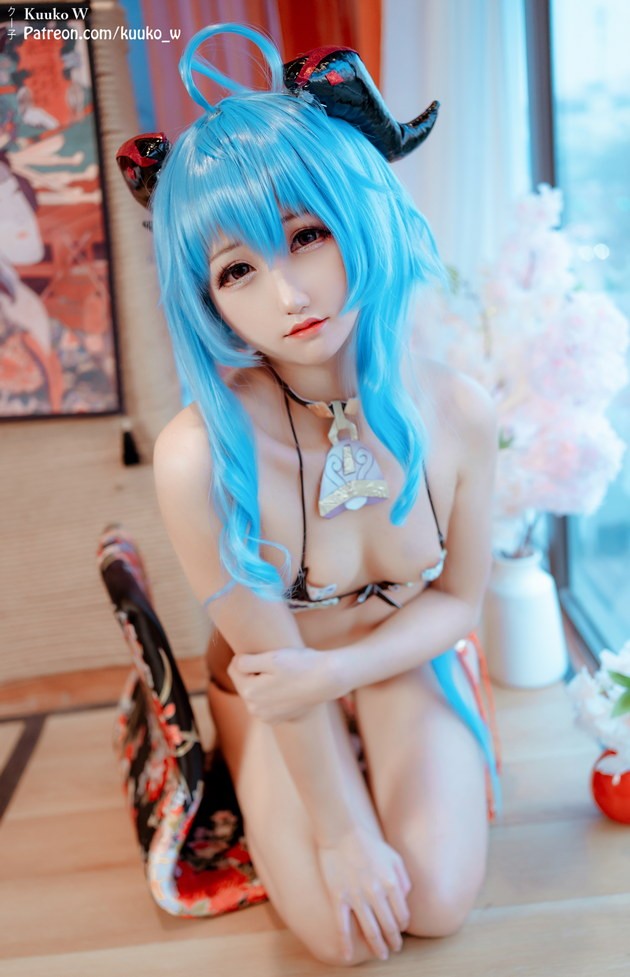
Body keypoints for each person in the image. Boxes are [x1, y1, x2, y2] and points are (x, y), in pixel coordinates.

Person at [148, 23, 499, 967]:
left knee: (436, 901)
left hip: (392, 657)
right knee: (343, 934)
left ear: (361, 211)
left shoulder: (459, 410)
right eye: (238, 269)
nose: (289, 294)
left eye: (306, 234)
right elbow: (278, 670)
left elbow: (460, 600)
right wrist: (345, 837)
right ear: (207, 297)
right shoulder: (198, 455)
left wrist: (345, 672)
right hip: (272, 691)